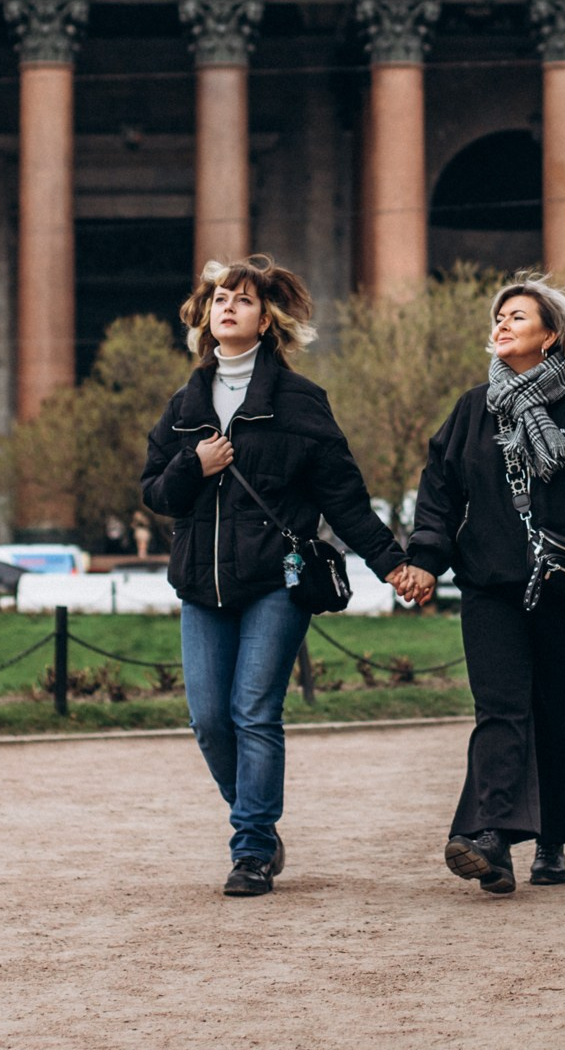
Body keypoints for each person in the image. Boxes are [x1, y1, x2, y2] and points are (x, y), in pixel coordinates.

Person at [140, 256, 421, 897]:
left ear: (265, 320)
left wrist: (394, 563)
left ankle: (252, 849)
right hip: (201, 585)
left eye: (240, 301)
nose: (227, 308)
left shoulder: (299, 402)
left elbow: (344, 498)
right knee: (210, 719)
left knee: (253, 711)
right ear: (207, 320)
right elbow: (156, 492)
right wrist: (195, 464)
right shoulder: (185, 404)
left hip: (277, 579)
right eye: (218, 301)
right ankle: (258, 824)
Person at [392, 273, 565, 894]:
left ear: (553, 335)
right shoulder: (471, 409)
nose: (502, 324)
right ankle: (493, 842)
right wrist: (425, 558)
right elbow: (438, 495)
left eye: (518, 316)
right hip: (492, 586)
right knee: (501, 711)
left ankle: (553, 842)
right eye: (500, 316)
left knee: (562, 714)